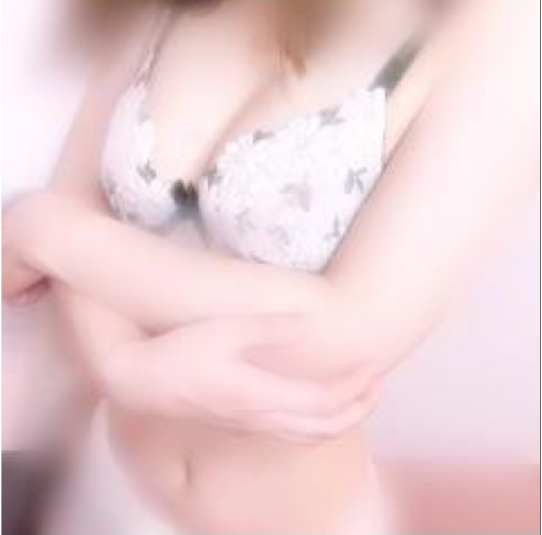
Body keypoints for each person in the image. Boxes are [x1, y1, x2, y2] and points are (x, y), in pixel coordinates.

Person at [2, 0, 539, 533]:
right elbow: (80, 200)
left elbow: (342, 333)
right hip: (105, 480)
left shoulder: (499, 27)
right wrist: (122, 366)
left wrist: (38, 230)